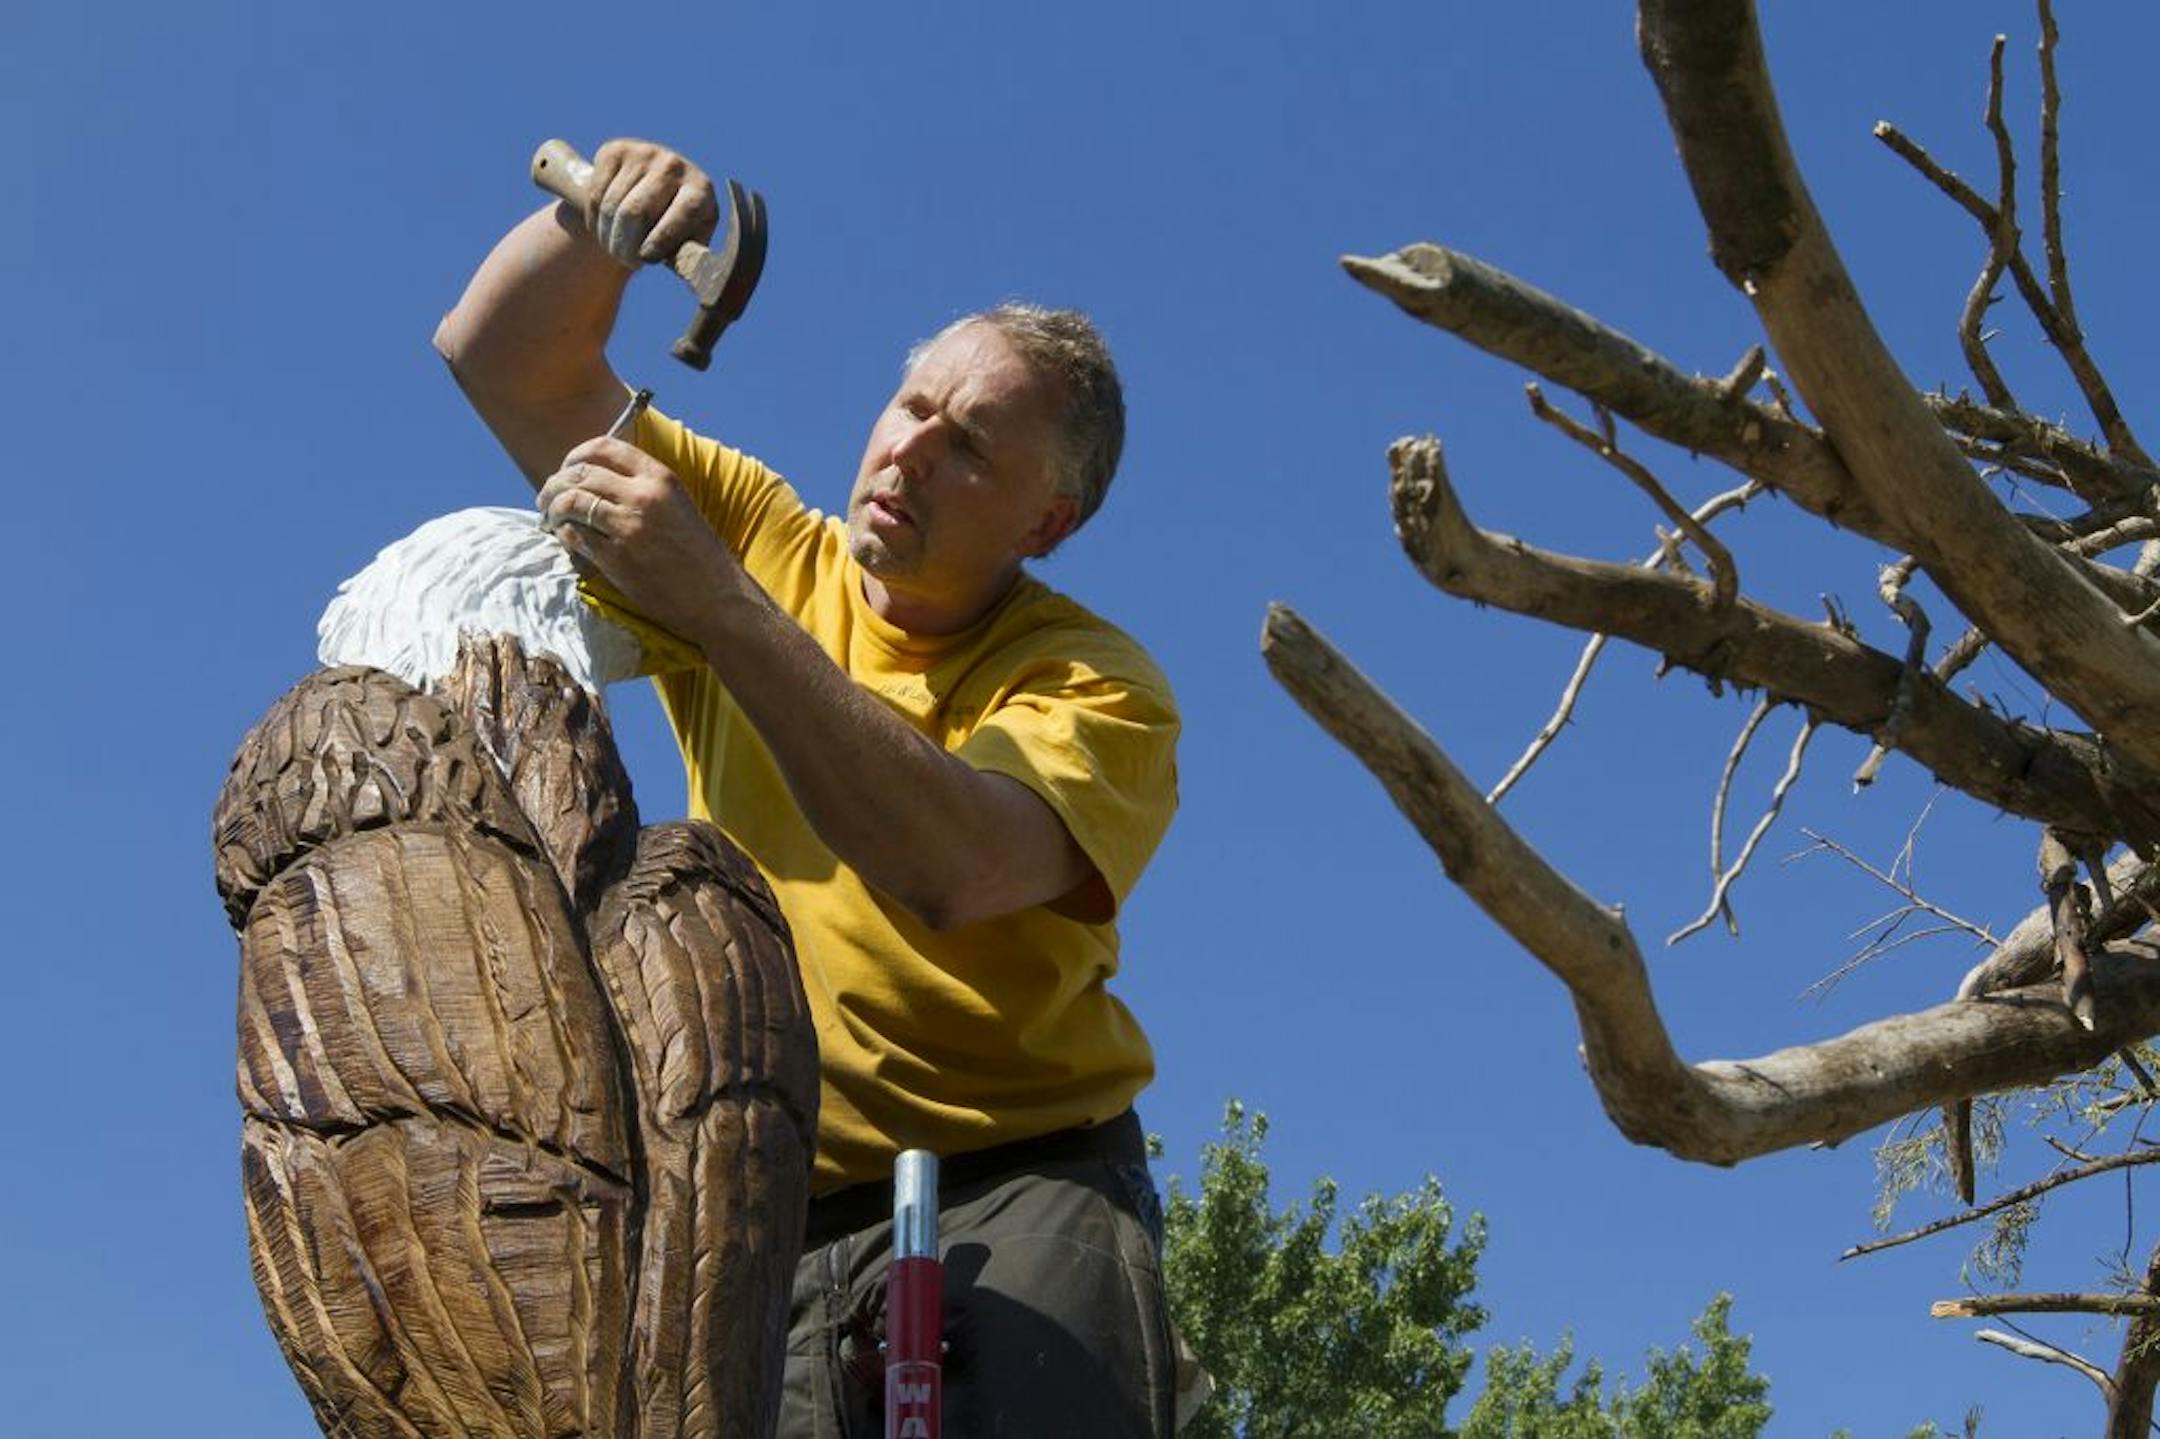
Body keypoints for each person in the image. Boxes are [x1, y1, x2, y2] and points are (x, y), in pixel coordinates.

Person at [434, 138, 1182, 1436]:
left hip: (1022, 1170)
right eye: (911, 410)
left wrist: (717, 605)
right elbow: (500, 357)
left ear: (1046, 523)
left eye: (969, 448)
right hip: (752, 1196)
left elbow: (950, 868)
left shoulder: (1095, 685)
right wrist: (600, 229)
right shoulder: (768, 537)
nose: (908, 456)